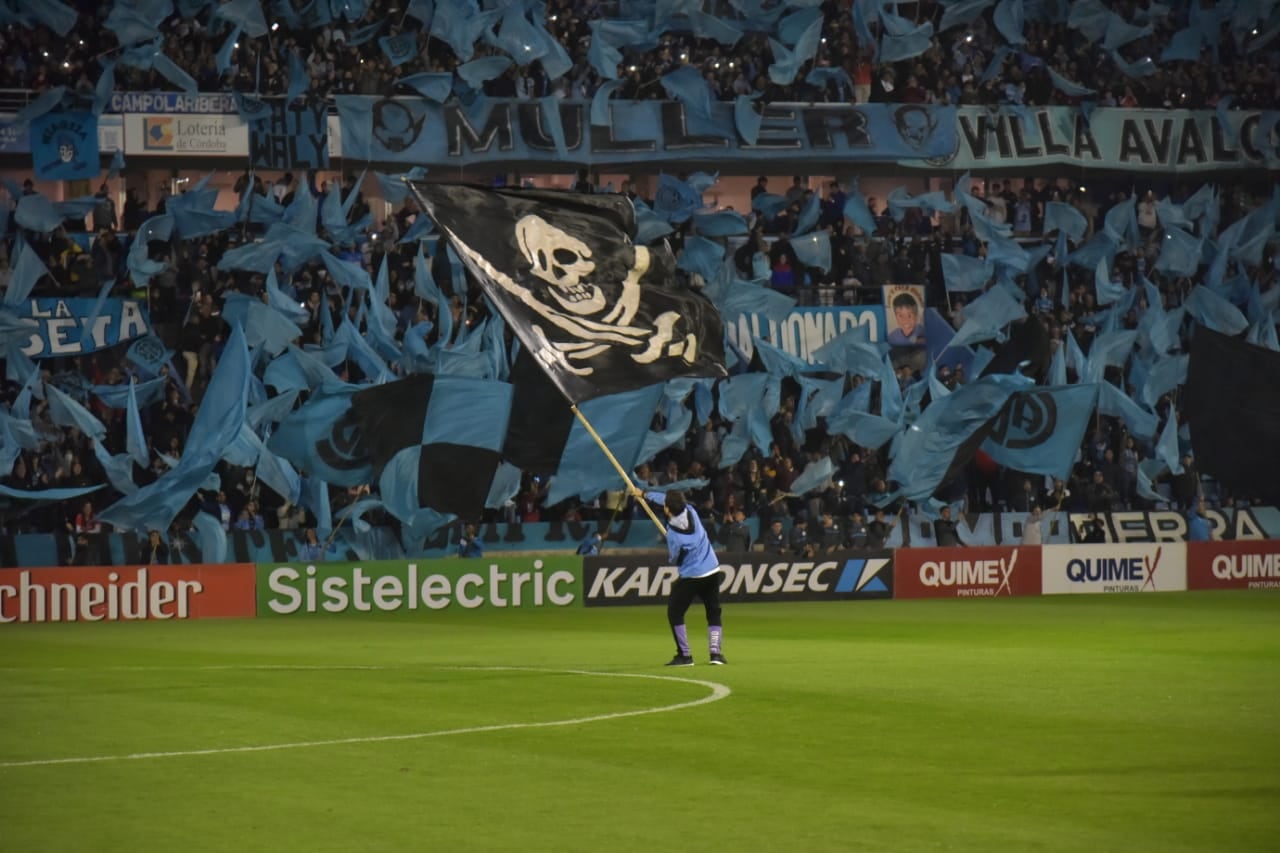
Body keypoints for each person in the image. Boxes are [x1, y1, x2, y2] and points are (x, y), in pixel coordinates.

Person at [632, 487, 726, 667]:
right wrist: (644, 494)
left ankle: (685, 655)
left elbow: (674, 558)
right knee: (713, 611)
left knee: (675, 612)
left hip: (692, 575)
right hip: (712, 569)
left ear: (667, 509)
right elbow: (667, 500)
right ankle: (716, 654)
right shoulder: (692, 511)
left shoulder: (673, 534)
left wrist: (644, 494)